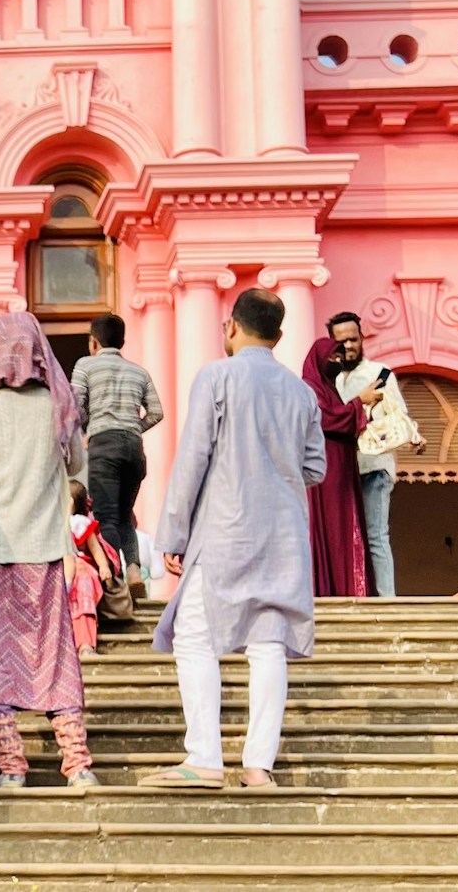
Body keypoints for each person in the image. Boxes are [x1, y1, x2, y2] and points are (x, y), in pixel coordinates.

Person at [141, 288, 326, 791]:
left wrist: (173, 532)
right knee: (268, 645)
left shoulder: (217, 376)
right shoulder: (302, 392)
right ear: (279, 336)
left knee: (194, 636)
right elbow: (315, 467)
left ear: (230, 326)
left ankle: (204, 756)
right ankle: (257, 765)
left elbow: (193, 456)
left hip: (224, 528)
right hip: (283, 534)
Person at [0, 312, 97, 789]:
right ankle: (76, 763)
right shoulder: (56, 404)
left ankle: (11, 767)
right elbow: (77, 464)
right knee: (54, 654)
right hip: (43, 549)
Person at [330, 312, 424, 598]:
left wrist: (414, 434)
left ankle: (386, 600)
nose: (348, 345)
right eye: (342, 341)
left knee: (376, 536)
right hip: (342, 469)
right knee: (344, 538)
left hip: (375, 466)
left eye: (353, 339)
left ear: (361, 339)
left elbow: (398, 414)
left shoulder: (379, 373)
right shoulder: (330, 380)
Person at [70, 312, 162, 595]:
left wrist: (87, 431)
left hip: (103, 445)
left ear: (93, 342)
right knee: (124, 515)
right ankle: (134, 570)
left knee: (106, 516)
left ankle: (116, 582)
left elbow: (74, 405)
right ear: (122, 341)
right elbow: (156, 413)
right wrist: (133, 427)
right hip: (134, 449)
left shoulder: (85, 366)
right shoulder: (139, 371)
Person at [303, 335, 381, 598]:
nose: (337, 360)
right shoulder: (309, 389)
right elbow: (326, 419)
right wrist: (360, 402)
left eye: (340, 356)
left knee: (346, 530)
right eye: (332, 356)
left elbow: (342, 418)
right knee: (332, 530)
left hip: (342, 470)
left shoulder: (332, 391)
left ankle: (348, 588)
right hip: (325, 474)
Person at [66, 480, 118, 654]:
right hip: (62, 570)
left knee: (83, 602)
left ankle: (86, 644)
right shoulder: (53, 522)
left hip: (82, 572)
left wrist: (104, 567)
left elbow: (95, 548)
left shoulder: (80, 523)